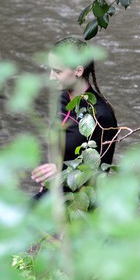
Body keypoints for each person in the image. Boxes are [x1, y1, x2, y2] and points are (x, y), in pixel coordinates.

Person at [30, 37, 117, 193]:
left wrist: (59, 172)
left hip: (78, 207)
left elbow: (98, 179)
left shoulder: (101, 117)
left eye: (57, 71)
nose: (51, 77)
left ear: (78, 71)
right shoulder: (62, 99)